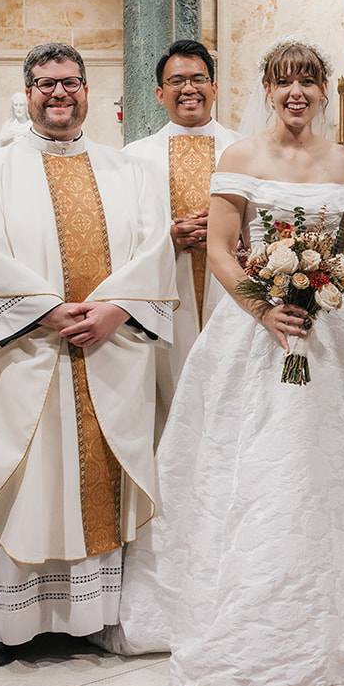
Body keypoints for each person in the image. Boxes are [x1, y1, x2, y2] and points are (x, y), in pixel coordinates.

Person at [114, 36, 344, 686]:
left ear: (324, 90)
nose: (297, 92)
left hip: (327, 329)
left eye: (308, 81)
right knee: (247, 461)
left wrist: (324, 286)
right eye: (283, 80)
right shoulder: (240, 155)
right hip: (250, 330)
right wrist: (266, 310)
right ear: (267, 87)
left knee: (333, 465)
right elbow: (225, 251)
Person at [0, 41, 176, 668]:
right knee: (19, 479)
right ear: (27, 92)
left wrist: (117, 308)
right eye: (45, 84)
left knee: (98, 478)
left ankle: (91, 618)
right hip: (22, 356)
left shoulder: (129, 171)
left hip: (108, 351)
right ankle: (2, 620)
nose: (58, 94)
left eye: (70, 83)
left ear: (88, 90)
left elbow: (155, 253)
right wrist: (44, 309)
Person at [122, 39, 246, 433]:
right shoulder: (134, 157)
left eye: (198, 79)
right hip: (165, 296)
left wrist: (234, 236)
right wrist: (169, 236)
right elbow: (120, 234)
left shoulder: (243, 150)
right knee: (170, 409)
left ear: (214, 87)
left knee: (231, 402)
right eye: (176, 81)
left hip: (231, 299)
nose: (188, 88)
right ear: (160, 93)